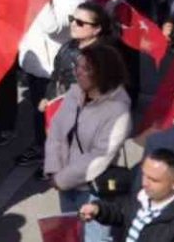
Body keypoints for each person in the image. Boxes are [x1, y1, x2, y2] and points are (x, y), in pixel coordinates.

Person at [45, 44, 133, 242]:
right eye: (78, 66)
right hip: (65, 185)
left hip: (94, 191)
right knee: (72, 236)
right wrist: (53, 169)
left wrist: (61, 179)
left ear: (103, 74)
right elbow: (56, 132)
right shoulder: (75, 93)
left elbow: (100, 156)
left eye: (86, 69)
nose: (78, 72)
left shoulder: (118, 110)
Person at [79, 149, 174, 242]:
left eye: (154, 180)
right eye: (144, 175)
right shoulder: (143, 195)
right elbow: (122, 211)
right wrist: (98, 209)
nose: (145, 183)